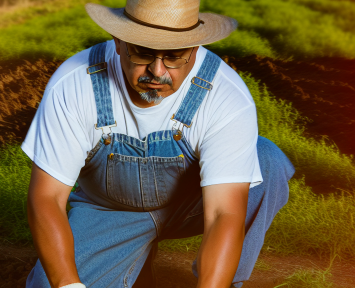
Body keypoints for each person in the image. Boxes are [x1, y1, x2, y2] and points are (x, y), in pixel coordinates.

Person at [21, 0, 295, 287]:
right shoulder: (75, 83)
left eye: (174, 56)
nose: (157, 71)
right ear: (118, 42)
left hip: (190, 203)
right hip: (110, 211)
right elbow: (47, 198)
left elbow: (222, 213)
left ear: (194, 49)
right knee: (49, 283)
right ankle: (135, 262)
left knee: (265, 160)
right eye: (143, 53)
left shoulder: (226, 94)